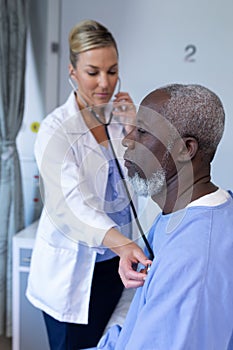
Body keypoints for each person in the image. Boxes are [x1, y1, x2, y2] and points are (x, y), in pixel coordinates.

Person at [26, 19, 151, 350]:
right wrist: (121, 244)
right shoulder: (56, 130)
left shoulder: (117, 120)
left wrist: (134, 133)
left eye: (112, 71)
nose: (104, 82)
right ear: (73, 71)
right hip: (74, 273)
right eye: (93, 72)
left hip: (116, 269)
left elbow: (145, 185)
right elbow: (70, 205)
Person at [97, 83, 233, 350]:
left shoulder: (193, 261)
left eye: (143, 132)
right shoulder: (190, 215)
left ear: (185, 149)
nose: (127, 139)